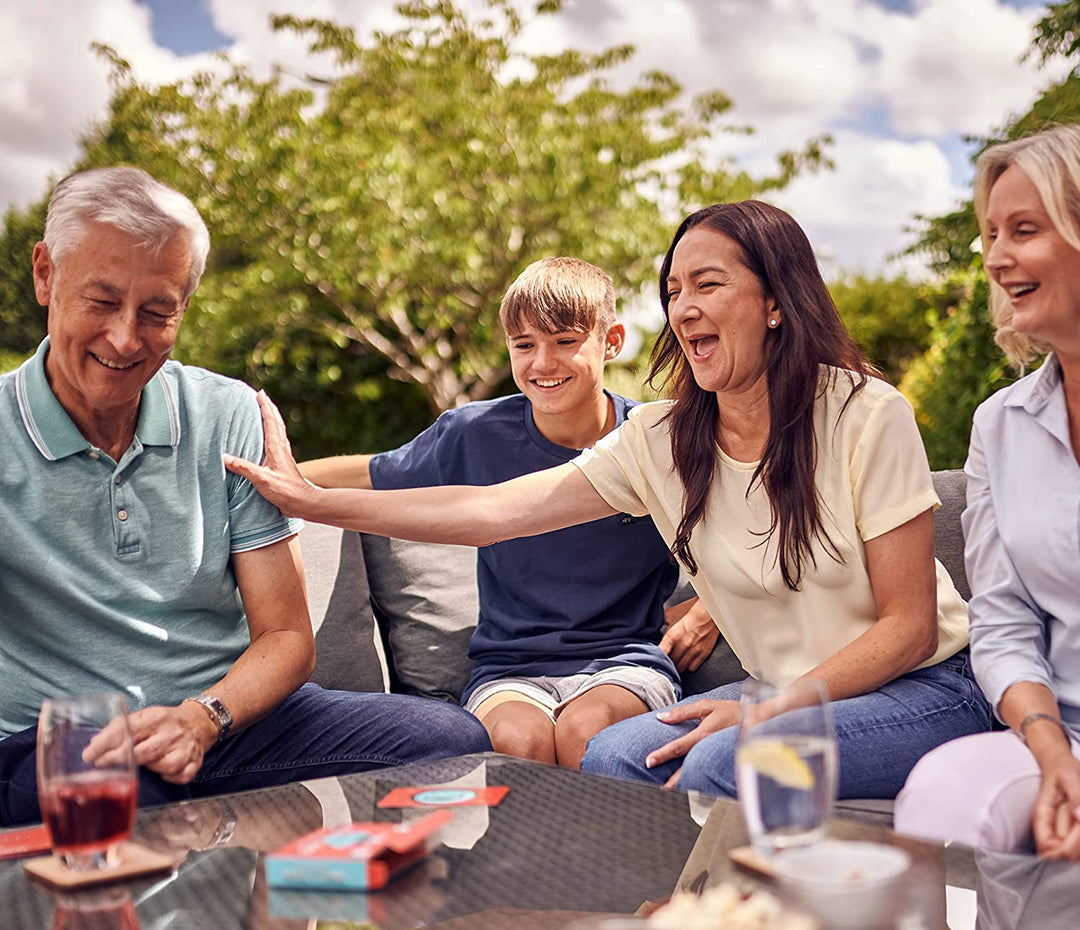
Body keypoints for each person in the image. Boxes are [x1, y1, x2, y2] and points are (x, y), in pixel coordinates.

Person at [225, 199, 992, 800]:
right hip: (784, 695)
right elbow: (498, 510)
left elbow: (907, 625)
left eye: (709, 284)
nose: (684, 307)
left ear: (775, 303)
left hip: (922, 687)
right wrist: (314, 502)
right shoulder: (663, 439)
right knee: (618, 755)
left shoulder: (864, 413)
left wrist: (767, 707)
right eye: (674, 289)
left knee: (726, 758)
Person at [0, 166, 490, 827]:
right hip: (61, 745)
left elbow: (287, 636)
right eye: (102, 301)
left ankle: (391, 921)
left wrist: (204, 719)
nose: (124, 338)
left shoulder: (228, 415)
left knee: (451, 740)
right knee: (115, 804)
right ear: (45, 274)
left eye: (156, 312)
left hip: (226, 722)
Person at [299, 257, 702, 767]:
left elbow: (744, 532)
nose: (542, 363)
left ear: (612, 340)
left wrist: (705, 613)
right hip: (510, 669)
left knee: (588, 733)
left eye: (564, 341)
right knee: (520, 743)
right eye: (525, 345)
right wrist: (277, 474)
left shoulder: (652, 440)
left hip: (623, 663)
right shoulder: (475, 433)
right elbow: (372, 472)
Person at [895, 125, 1080, 860]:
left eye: (1024, 230)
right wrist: (1050, 749)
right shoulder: (1001, 423)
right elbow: (1001, 622)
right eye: (991, 233)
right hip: (1052, 730)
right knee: (945, 794)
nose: (996, 259)